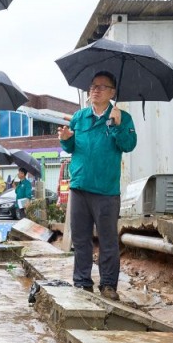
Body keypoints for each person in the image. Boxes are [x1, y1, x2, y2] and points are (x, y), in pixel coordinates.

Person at [58, 71, 137, 301]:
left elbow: (129, 145)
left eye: (102, 86)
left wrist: (118, 126)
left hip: (106, 190)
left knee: (108, 241)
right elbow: (72, 148)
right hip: (80, 186)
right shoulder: (79, 117)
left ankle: (109, 285)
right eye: (93, 86)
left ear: (113, 92)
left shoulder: (121, 116)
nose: (95, 90)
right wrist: (65, 138)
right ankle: (82, 282)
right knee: (81, 240)